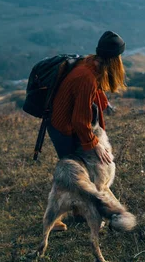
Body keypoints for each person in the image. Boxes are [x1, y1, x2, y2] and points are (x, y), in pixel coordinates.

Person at [48, 30, 127, 166]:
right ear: (113, 58)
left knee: (80, 168)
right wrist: (95, 144)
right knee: (74, 168)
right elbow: (80, 120)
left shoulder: (89, 61)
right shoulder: (86, 78)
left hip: (64, 124)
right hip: (63, 128)